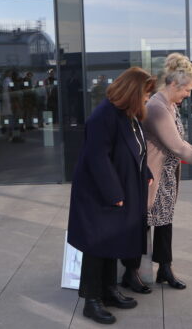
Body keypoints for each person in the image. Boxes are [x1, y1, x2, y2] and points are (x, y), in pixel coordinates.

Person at [67, 67, 156, 325]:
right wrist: (113, 193)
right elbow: (97, 157)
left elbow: (135, 148)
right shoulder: (103, 116)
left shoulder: (127, 114)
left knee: (112, 241)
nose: (148, 98)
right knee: (97, 245)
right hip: (100, 193)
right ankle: (91, 300)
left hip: (121, 187)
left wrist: (145, 170)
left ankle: (109, 290)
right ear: (132, 92)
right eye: (146, 93)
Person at [120, 53, 192, 294]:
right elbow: (176, 145)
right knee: (141, 225)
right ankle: (131, 273)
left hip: (166, 177)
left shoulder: (170, 105)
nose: (189, 94)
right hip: (151, 176)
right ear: (174, 84)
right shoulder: (157, 108)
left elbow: (181, 140)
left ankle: (165, 268)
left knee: (164, 223)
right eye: (187, 90)